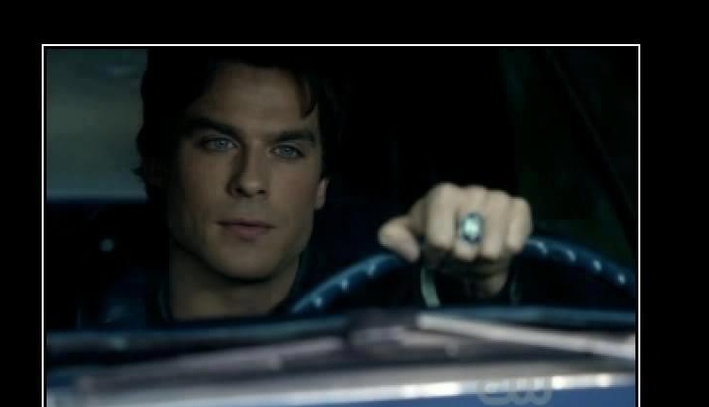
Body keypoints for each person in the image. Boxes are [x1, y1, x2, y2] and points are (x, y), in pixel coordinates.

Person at [85, 47, 535, 327]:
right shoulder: (80, 326)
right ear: (159, 163)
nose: (250, 181)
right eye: (218, 143)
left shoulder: (389, 320)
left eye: (287, 151)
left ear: (322, 184)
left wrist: (491, 279)